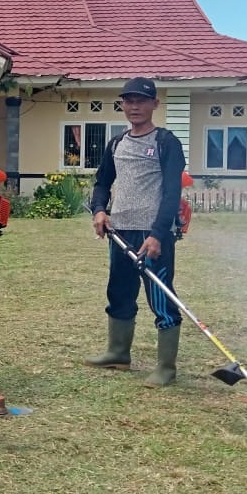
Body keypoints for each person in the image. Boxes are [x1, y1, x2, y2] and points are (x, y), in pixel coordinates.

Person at [87, 77, 186, 387]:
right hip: (120, 231)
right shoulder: (116, 143)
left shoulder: (166, 142)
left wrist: (158, 233)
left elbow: (172, 192)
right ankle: (118, 353)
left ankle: (166, 368)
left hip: (152, 233)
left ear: (155, 104)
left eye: (141, 101)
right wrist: (100, 210)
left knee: (160, 295)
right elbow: (102, 182)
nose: (134, 106)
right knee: (119, 291)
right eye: (128, 101)